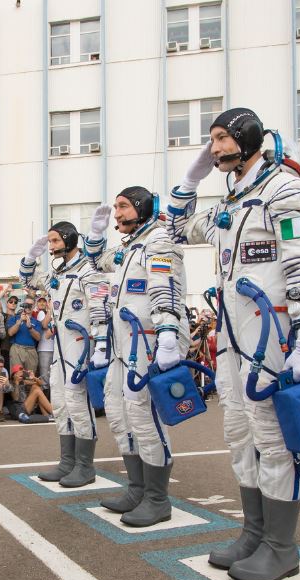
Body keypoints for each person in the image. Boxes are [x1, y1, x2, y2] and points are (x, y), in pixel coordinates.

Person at [169, 108, 300, 580]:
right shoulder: (232, 202)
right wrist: (189, 180)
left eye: (220, 138)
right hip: (232, 337)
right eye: (211, 141)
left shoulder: (286, 191)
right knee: (239, 433)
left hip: (272, 334)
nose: (214, 148)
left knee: (273, 438)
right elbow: (178, 229)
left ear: (247, 138)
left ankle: (281, 547)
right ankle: (254, 532)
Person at [87, 185, 190, 527]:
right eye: (115, 208)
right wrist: (96, 234)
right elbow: (95, 262)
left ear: (144, 206)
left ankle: (157, 499)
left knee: (144, 418)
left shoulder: (159, 240)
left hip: (148, 341)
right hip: (123, 344)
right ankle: (137, 488)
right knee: (117, 414)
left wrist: (167, 336)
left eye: (123, 207)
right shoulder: (129, 247)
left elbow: (165, 288)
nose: (117, 214)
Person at [19, 220, 110, 487]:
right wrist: (30, 257)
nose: (52, 247)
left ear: (70, 240)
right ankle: (67, 461)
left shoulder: (89, 271)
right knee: (59, 401)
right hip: (60, 346)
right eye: (49, 242)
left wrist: (102, 343)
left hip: (80, 345)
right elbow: (28, 280)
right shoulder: (57, 272)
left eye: (56, 241)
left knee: (77, 402)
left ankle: (85, 465)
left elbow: (101, 305)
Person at [6, 295, 43, 375]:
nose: (28, 306)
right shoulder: (14, 318)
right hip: (17, 349)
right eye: (27, 304)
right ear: (23, 305)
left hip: (31, 350)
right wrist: (19, 322)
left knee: (30, 377)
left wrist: (30, 327)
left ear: (34, 306)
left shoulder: (37, 322)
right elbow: (10, 333)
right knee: (16, 376)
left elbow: (38, 338)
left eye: (31, 305)